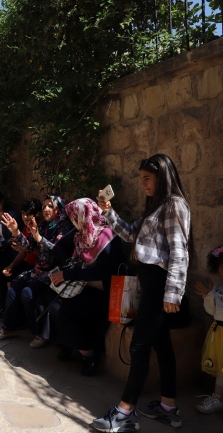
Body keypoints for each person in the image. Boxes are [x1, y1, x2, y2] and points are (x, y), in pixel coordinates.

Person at [92, 154, 191, 432]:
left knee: (139, 346)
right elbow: (128, 233)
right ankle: (169, 407)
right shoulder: (155, 207)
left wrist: (173, 294)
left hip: (159, 286)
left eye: (147, 178)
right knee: (162, 345)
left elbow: (180, 252)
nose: (143, 184)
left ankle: (125, 412)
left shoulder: (173, 205)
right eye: (142, 179)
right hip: (151, 284)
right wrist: (109, 211)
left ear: (162, 177)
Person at [51, 198, 124, 375]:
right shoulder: (82, 231)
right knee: (53, 305)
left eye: (75, 216)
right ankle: (69, 345)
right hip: (83, 286)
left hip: (103, 293)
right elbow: (60, 246)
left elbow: (100, 273)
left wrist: (67, 274)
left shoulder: (107, 236)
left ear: (84, 215)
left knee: (64, 312)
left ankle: (89, 354)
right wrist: (73, 263)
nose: (73, 220)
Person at [0, 195, 72, 344]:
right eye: (45, 205)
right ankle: (9, 328)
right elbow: (28, 246)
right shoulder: (43, 226)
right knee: (14, 289)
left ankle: (40, 333)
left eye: (50, 206)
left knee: (27, 293)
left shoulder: (64, 227)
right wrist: (16, 232)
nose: (46, 209)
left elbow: (54, 252)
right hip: (38, 271)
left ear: (58, 209)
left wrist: (38, 237)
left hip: (54, 273)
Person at [194, 245, 223, 413]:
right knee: (221, 368)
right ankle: (218, 397)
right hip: (219, 334)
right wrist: (208, 295)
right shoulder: (218, 289)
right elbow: (212, 311)